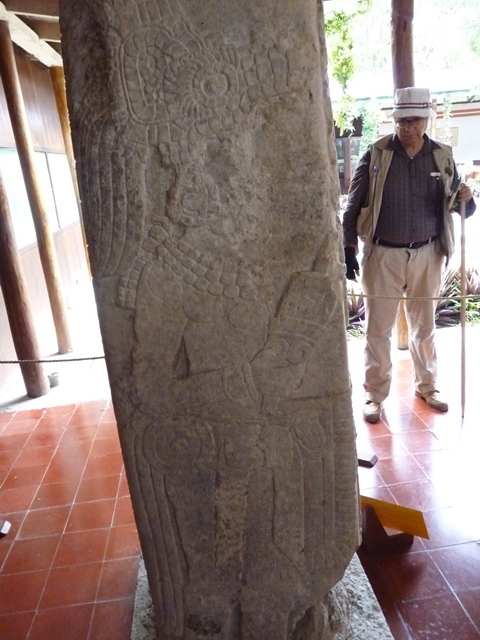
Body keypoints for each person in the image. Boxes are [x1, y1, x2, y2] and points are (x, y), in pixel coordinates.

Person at [342, 87, 476, 424]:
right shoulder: (377, 154)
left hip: (428, 254)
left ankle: (427, 386)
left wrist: (467, 197)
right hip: (383, 254)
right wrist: (349, 249)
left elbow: (463, 208)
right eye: (402, 121)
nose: (407, 127)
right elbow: (352, 206)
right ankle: (374, 394)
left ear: (426, 118)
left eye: (414, 120)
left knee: (425, 326)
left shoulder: (441, 156)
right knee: (378, 329)